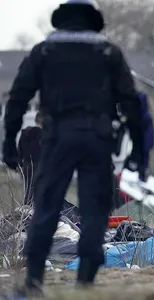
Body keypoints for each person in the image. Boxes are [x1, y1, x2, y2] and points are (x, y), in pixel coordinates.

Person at [1, 0, 145, 295]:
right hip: (97, 140)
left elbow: (17, 99)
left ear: (60, 20)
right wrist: (139, 151)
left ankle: (34, 280)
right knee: (94, 210)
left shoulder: (44, 51)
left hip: (56, 139)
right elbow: (132, 103)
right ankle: (86, 283)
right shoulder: (108, 53)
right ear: (93, 21)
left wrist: (8, 145)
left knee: (47, 206)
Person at [17, 111, 44, 206]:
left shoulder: (24, 133)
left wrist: (20, 165)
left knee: (27, 187)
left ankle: (25, 207)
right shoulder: (43, 135)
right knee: (34, 189)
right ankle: (30, 208)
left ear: (35, 120)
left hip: (26, 165)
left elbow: (19, 150)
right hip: (37, 165)